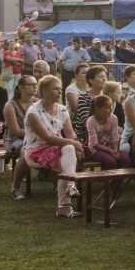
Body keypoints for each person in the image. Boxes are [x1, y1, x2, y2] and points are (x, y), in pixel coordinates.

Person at [22, 75, 84, 218]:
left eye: (60, 89)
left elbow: (70, 133)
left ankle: (66, 197)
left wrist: (78, 146)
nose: (59, 92)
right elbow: (47, 138)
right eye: (56, 89)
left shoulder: (62, 109)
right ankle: (67, 195)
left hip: (58, 148)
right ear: (44, 91)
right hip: (35, 151)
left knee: (69, 152)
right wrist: (73, 143)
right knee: (67, 157)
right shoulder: (33, 112)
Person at [4, 74, 36, 200]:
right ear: (21, 88)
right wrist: (39, 132)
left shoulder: (39, 102)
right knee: (26, 151)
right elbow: (15, 131)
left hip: (36, 137)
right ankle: (15, 187)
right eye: (31, 84)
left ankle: (58, 186)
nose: (35, 86)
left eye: (36, 84)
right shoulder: (10, 105)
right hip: (15, 139)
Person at [86, 95, 130, 170]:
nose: (111, 109)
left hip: (111, 148)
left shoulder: (113, 118)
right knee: (110, 161)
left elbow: (114, 136)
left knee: (126, 160)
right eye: (107, 107)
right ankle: (107, 180)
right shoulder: (91, 121)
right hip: (96, 150)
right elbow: (94, 144)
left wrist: (115, 150)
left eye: (111, 107)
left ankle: (116, 181)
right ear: (97, 108)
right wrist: (110, 151)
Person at [75, 65, 108, 142]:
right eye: (101, 77)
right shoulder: (83, 98)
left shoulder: (108, 97)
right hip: (86, 135)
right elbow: (87, 121)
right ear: (91, 80)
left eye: (105, 76)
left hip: (106, 133)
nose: (104, 79)